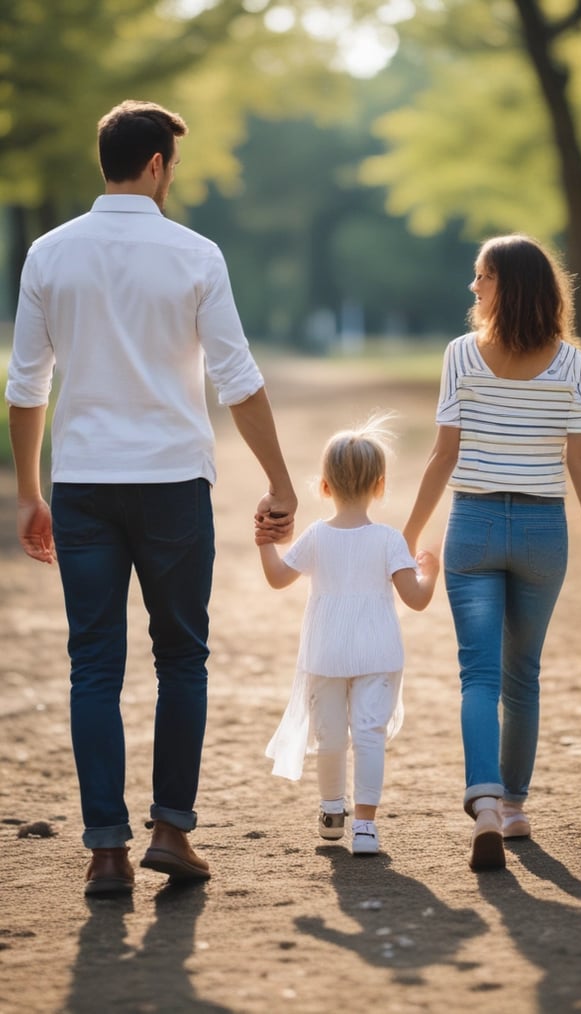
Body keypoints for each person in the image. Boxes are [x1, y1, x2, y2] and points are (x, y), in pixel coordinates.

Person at [5, 99, 297, 896]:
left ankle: (106, 851)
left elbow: (27, 386)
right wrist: (279, 479)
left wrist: (29, 492)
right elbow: (237, 378)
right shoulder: (196, 255)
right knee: (182, 658)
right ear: (159, 164)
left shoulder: (47, 254)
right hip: (172, 484)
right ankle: (171, 829)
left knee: (94, 665)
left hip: (85, 485)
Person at [402, 234, 581, 872]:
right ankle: (517, 806)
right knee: (523, 675)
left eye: (483, 276)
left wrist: (408, 533)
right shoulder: (573, 364)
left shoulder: (461, 354)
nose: (473, 287)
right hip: (541, 531)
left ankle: (486, 804)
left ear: (510, 285)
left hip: (472, 526)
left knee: (479, 675)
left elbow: (443, 454)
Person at [256, 416, 439, 855]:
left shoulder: (317, 536)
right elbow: (415, 599)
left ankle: (330, 811)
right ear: (380, 485)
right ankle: (365, 827)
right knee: (370, 734)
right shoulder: (389, 540)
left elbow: (278, 578)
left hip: (326, 653)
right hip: (377, 651)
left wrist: (264, 541)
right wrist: (431, 573)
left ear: (324, 486)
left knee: (331, 735)